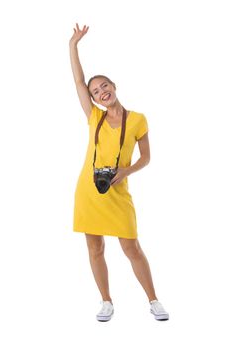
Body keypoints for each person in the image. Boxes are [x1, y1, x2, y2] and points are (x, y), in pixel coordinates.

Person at [69, 23, 169, 322]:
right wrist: (73, 45)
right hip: (89, 192)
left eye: (104, 86)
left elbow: (147, 158)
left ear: (114, 86)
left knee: (131, 247)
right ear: (95, 99)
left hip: (118, 191)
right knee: (95, 247)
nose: (101, 93)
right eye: (96, 92)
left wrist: (126, 171)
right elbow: (77, 80)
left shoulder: (137, 119)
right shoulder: (94, 117)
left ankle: (153, 299)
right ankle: (106, 301)